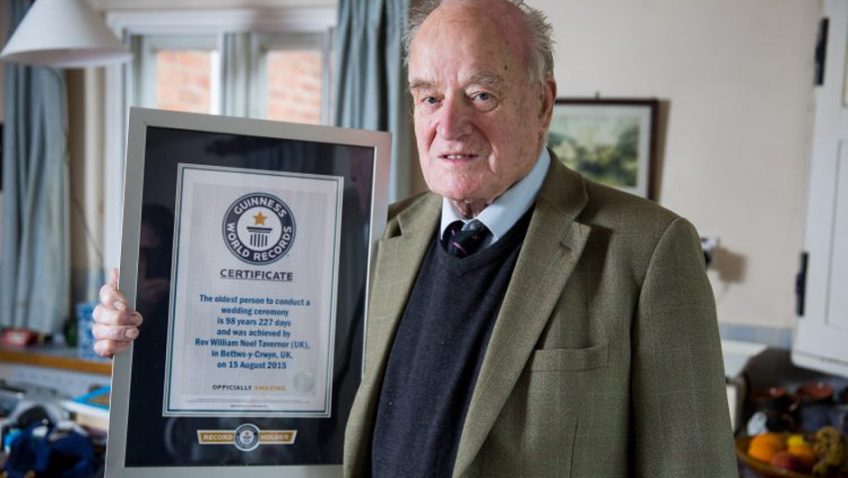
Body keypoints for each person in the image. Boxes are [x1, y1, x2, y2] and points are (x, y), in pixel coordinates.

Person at [94, 0, 738, 476]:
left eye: (481, 94)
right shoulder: (379, 238)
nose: (448, 126)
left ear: (543, 103)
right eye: (429, 97)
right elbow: (266, 384)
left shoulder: (647, 251)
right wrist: (146, 331)